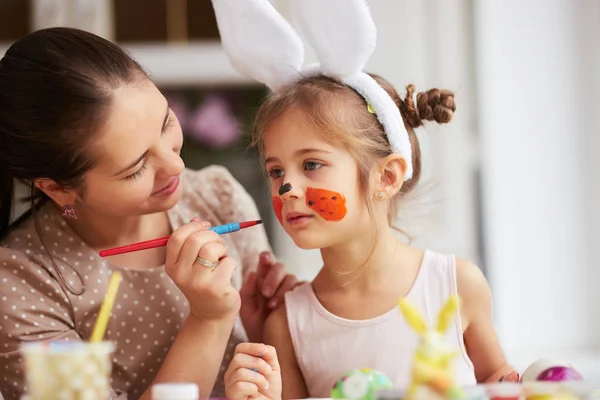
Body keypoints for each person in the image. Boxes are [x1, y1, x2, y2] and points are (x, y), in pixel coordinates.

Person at [210, 0, 521, 398]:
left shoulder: (456, 286)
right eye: (276, 171)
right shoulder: (287, 324)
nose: (286, 188)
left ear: (386, 177)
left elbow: (500, 382)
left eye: (311, 165)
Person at [0, 27, 298, 400]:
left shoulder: (215, 195)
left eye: (166, 123)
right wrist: (209, 318)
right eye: (137, 167)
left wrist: (272, 325)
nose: (175, 166)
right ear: (58, 188)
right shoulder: (21, 280)